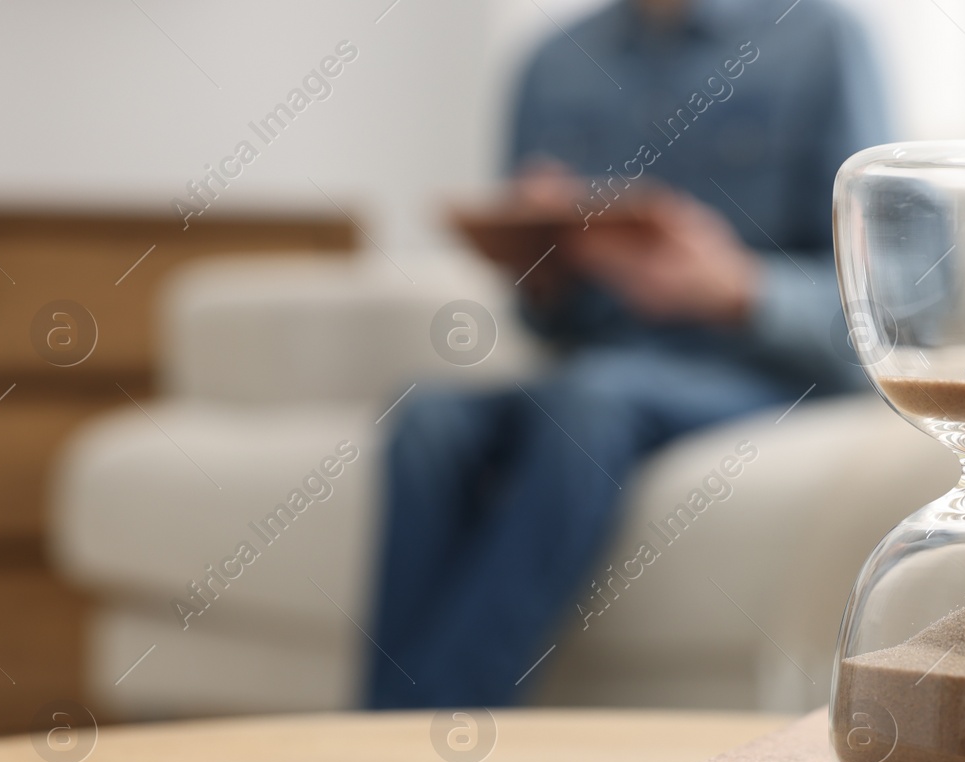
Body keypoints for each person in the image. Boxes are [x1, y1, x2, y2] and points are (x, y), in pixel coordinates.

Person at [366, 0, 890, 707]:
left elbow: (879, 299)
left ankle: (422, 725)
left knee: (589, 397)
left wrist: (740, 289)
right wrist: (543, 261)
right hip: (594, 363)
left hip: (757, 370)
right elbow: (541, 319)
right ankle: (376, 722)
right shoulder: (549, 62)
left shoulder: (823, 40)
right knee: (426, 416)